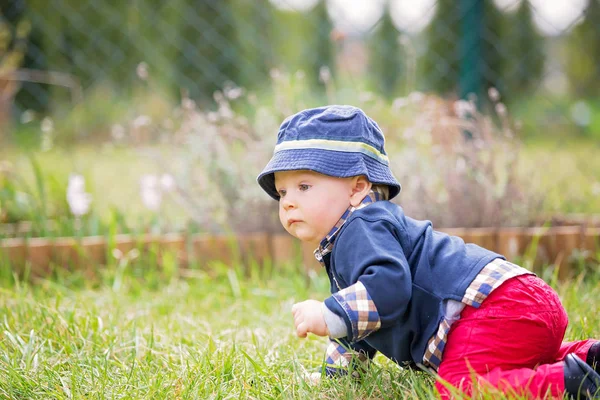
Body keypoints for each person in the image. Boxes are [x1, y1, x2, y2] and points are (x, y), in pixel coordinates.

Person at [256, 105, 600, 399]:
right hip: (521, 302)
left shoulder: (363, 226)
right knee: (506, 360)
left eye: (304, 186)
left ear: (357, 188)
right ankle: (589, 357)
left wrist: (329, 314)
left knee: (460, 385)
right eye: (283, 191)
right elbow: (360, 324)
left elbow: (388, 288)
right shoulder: (348, 240)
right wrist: (337, 379)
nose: (288, 202)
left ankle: (569, 382)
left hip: (497, 307)